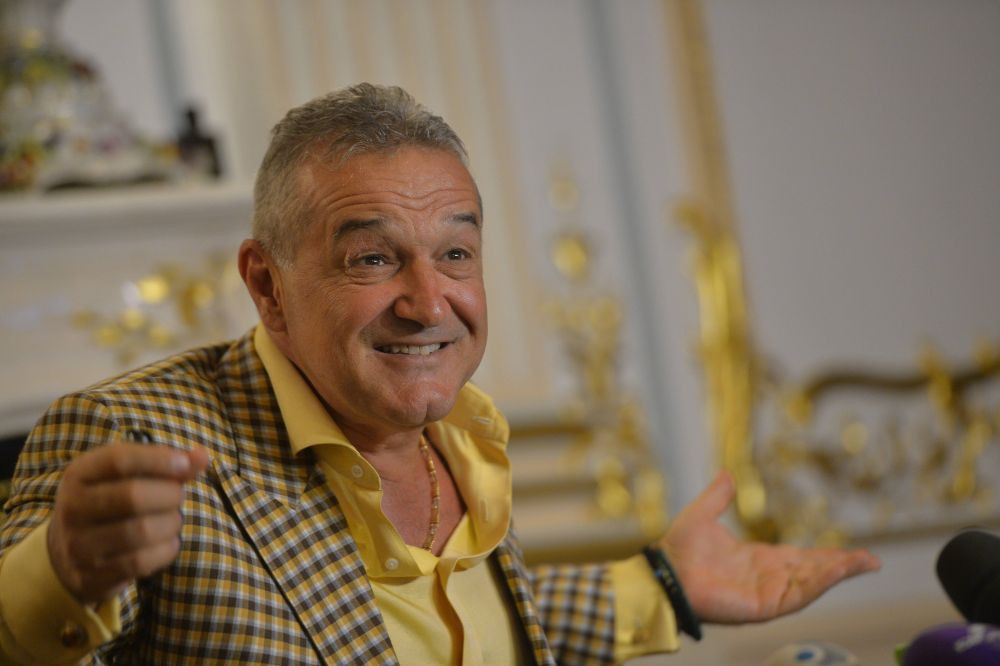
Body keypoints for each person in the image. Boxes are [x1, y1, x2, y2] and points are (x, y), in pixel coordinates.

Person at [0, 83, 880, 665]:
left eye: (455, 254)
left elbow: (430, 624)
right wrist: (61, 574)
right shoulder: (134, 434)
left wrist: (663, 587)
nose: (429, 304)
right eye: (373, 259)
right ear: (267, 284)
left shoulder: (460, 433)